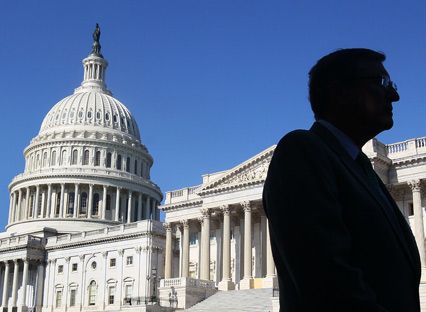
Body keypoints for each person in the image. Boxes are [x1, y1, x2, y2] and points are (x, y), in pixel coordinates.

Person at [263, 48, 421, 312]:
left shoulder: (363, 169)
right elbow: (330, 285)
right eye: (381, 83)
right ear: (340, 92)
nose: (394, 95)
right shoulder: (302, 151)